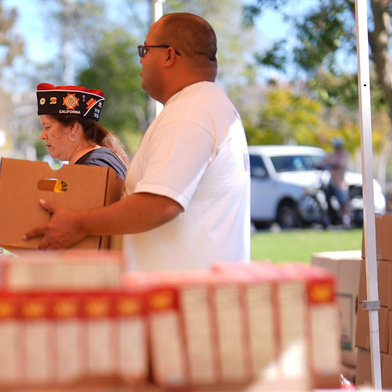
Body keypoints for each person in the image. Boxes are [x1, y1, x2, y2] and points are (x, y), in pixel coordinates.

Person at [24, 13, 250, 273]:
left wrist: (78, 223)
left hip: (181, 297)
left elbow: (159, 204)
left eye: (144, 49)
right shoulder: (204, 104)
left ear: (169, 55)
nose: (140, 58)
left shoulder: (190, 113)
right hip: (190, 292)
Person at [36, 82, 130, 179]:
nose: (42, 135)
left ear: (72, 127)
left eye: (47, 127)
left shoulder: (92, 167)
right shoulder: (96, 161)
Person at [321, 137, 352, 228]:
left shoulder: (343, 155)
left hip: (340, 183)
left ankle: (346, 221)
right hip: (331, 182)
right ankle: (329, 220)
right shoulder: (332, 155)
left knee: (343, 203)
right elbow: (324, 162)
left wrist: (330, 164)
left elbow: (339, 164)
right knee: (327, 201)